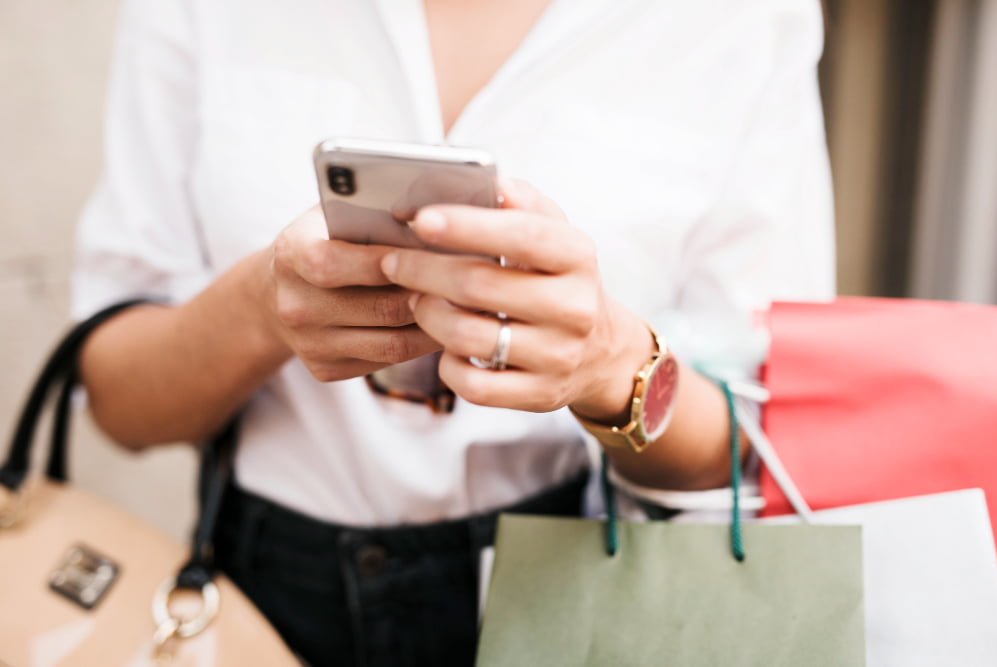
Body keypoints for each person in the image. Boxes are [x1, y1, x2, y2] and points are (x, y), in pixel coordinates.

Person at [73, 0, 834, 664]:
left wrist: (613, 367)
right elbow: (119, 400)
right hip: (262, 596)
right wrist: (258, 305)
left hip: (583, 583)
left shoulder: (740, 17)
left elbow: (762, 439)